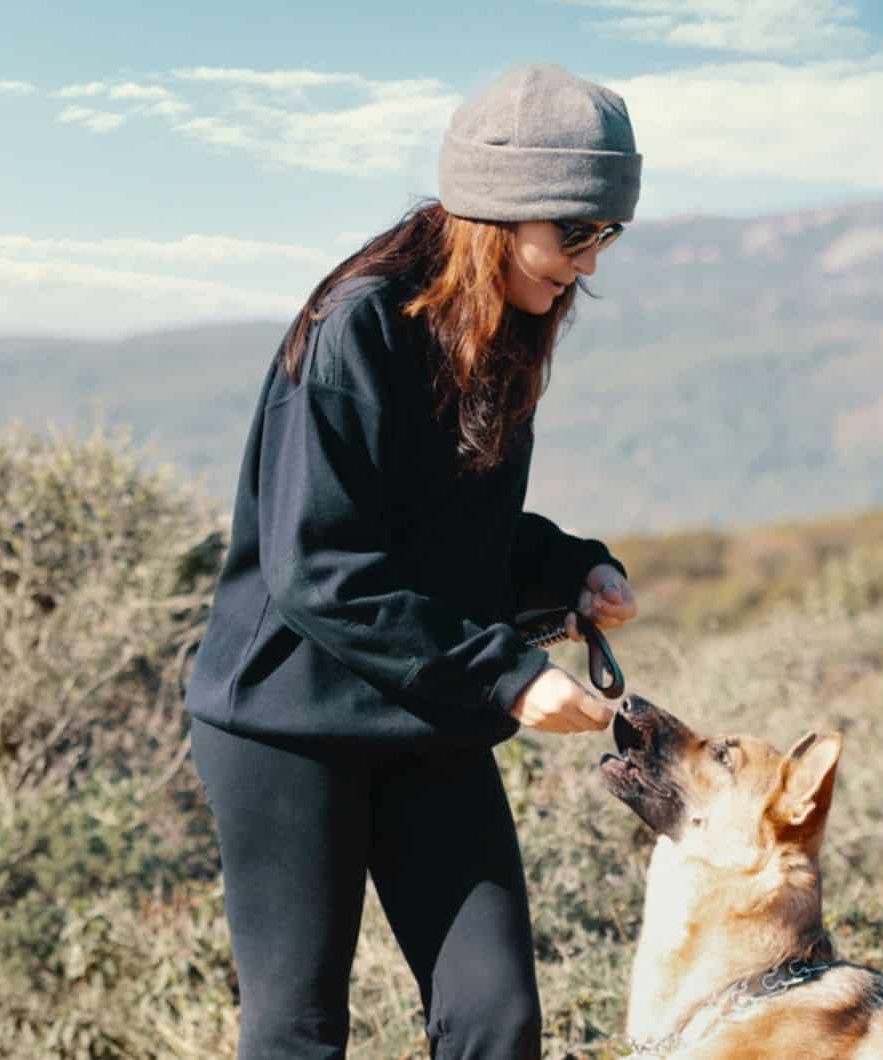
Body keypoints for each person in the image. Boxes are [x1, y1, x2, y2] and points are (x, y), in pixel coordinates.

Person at [182, 62, 643, 1060]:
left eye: (607, 235)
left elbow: (453, 528)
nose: (590, 263)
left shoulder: (502, 329)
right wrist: (511, 677)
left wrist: (568, 570)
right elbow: (319, 566)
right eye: (576, 232)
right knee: (299, 1034)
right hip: (284, 724)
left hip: (423, 711)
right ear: (501, 209)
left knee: (495, 1018)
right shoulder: (359, 322)